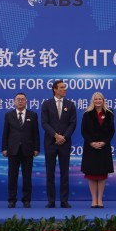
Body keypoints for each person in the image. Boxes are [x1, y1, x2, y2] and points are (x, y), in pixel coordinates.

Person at [40, 80, 76, 208]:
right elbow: (44, 123)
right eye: (62, 87)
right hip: (51, 142)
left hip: (65, 143)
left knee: (64, 172)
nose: (64, 89)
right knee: (50, 172)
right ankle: (51, 200)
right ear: (55, 89)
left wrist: (64, 137)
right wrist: (55, 135)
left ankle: (64, 200)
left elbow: (73, 123)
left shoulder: (70, 104)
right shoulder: (46, 104)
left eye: (64, 87)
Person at [2, 92, 39, 209]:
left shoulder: (32, 115)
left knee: (27, 177)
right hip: (13, 150)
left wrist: (36, 148)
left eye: (22, 99)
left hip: (28, 150)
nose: (20, 101)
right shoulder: (9, 115)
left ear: (26, 101)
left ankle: (26, 200)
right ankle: (11, 200)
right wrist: (4, 148)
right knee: (12, 177)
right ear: (14, 102)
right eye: (18, 99)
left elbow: (36, 133)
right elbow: (5, 133)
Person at [81, 92, 115, 208]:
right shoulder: (87, 114)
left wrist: (104, 142)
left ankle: (100, 199)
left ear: (103, 100)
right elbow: (84, 131)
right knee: (91, 175)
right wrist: (91, 142)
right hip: (90, 148)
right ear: (93, 101)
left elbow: (111, 131)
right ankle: (93, 199)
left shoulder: (109, 113)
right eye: (96, 99)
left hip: (104, 148)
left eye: (100, 99)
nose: (98, 101)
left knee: (102, 175)